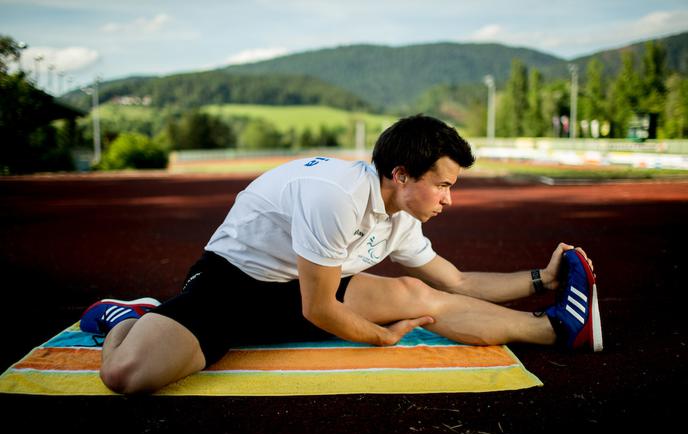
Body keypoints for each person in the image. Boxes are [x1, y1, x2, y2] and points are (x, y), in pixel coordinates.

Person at [81, 114, 602, 395]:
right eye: (442, 186)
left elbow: (457, 282)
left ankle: (556, 328)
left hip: (309, 287)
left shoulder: (400, 212)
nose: (449, 199)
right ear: (401, 174)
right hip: (235, 283)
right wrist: (381, 336)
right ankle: (131, 317)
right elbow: (320, 310)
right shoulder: (335, 195)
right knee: (126, 378)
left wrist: (543, 278)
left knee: (419, 292)